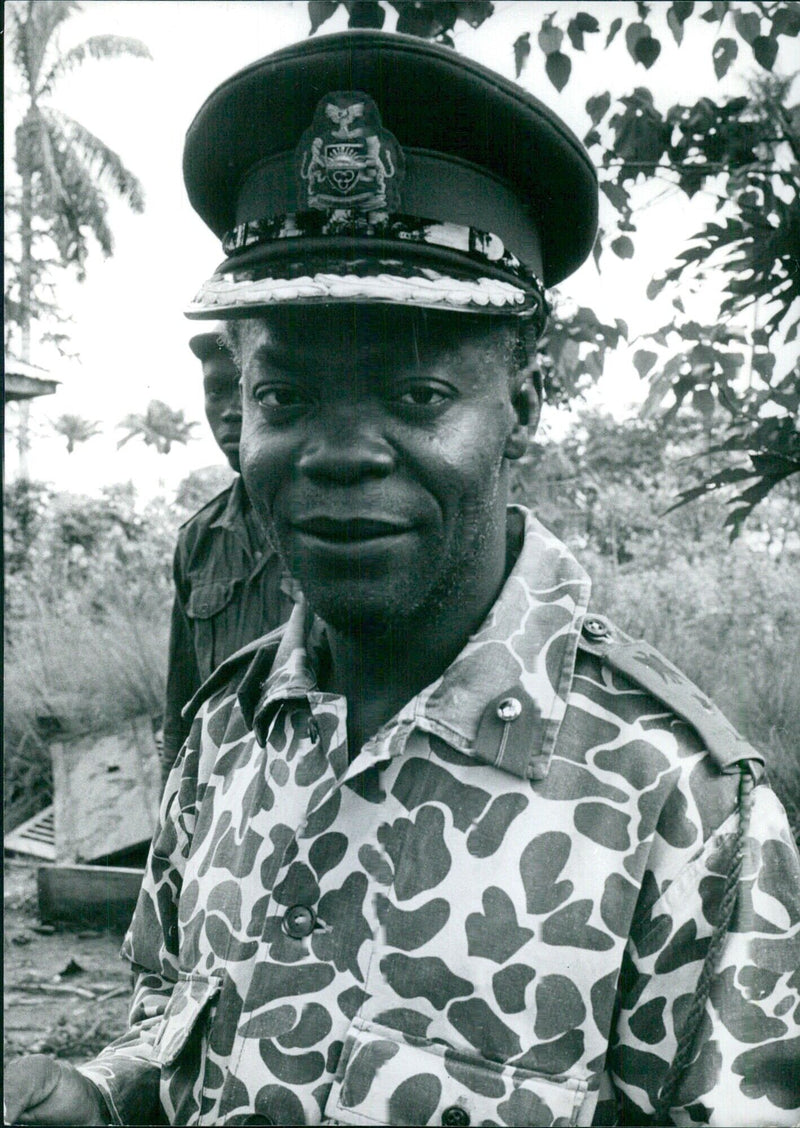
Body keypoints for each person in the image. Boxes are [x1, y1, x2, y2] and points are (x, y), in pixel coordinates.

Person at [6, 29, 799, 1128]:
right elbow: (180, 1012)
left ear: (523, 400)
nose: (338, 453)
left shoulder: (681, 807)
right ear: (234, 407)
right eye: (285, 397)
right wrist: (104, 1091)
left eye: (417, 395)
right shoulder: (229, 732)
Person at [161, 326, 295, 782]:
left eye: (250, 389)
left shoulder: (340, 527)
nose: (232, 411)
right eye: (217, 390)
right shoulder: (198, 541)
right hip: (218, 802)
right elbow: (180, 709)